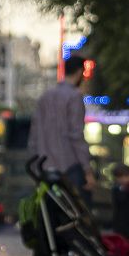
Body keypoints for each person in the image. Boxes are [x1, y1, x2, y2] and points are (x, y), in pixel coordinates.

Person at [29, 55, 93, 191]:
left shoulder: (44, 97)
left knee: (49, 210)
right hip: (69, 168)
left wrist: (35, 168)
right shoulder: (74, 96)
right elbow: (76, 135)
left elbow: (34, 136)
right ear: (79, 72)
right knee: (79, 208)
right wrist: (87, 170)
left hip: (44, 168)